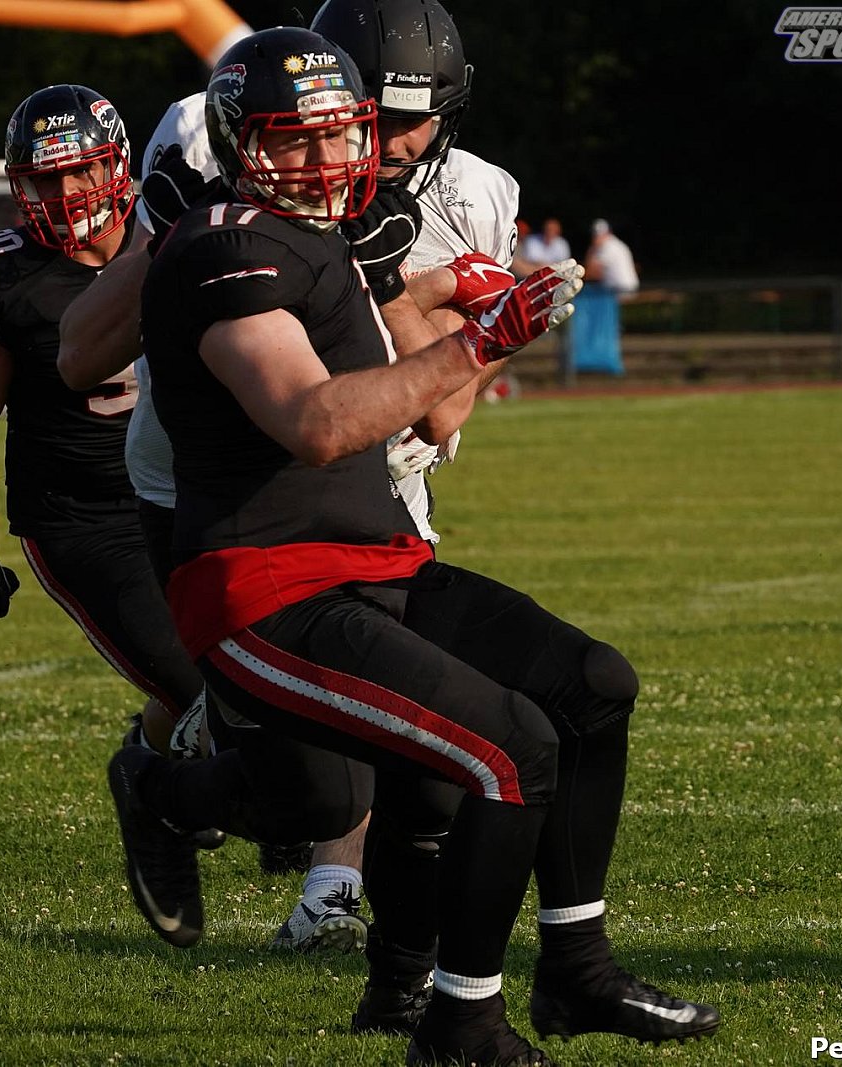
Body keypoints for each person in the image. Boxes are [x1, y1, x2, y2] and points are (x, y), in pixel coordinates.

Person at [110, 27, 720, 1064]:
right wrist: (479, 338)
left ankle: (576, 968)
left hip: (375, 561)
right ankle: (460, 1022)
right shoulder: (226, 246)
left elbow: (421, 400)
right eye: (292, 138)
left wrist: (458, 301)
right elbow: (316, 421)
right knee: (504, 751)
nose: (327, 158)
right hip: (266, 590)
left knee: (590, 686)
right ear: (239, 145)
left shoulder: (329, 240)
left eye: (340, 133)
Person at [0, 84, 209, 782]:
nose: (66, 191)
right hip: (84, 520)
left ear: (117, 163)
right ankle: (191, 794)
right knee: (204, 688)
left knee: (255, 674)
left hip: (192, 498)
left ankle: (149, 762)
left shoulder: (180, 235)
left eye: (82, 170)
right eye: (46, 177)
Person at [585, 219, 639, 295]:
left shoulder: (608, 247)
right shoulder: (615, 244)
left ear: (608, 233)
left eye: (599, 235)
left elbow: (591, 272)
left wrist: (591, 251)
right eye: (595, 235)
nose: (596, 238)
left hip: (622, 290)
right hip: (625, 288)